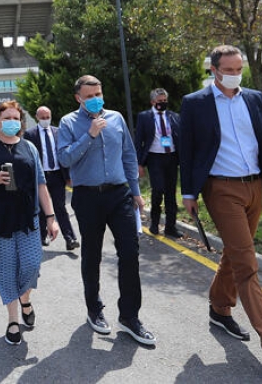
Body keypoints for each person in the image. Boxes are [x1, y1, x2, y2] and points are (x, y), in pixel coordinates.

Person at [180, 45, 262, 376]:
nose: (236, 74)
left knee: (235, 255)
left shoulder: (254, 98)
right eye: (230, 69)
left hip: (255, 188)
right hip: (220, 189)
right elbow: (188, 150)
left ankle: (219, 309)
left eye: (239, 69)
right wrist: (188, 192)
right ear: (214, 70)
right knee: (247, 263)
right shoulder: (195, 104)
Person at [57, 75, 156, 345]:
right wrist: (90, 135)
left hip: (119, 194)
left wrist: (135, 192)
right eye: (89, 96)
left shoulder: (116, 118)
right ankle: (95, 309)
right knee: (92, 255)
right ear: (78, 98)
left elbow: (128, 154)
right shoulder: (68, 122)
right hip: (87, 197)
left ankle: (130, 316)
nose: (95, 99)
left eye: (98, 93)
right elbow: (64, 158)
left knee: (130, 253)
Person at [0, 101, 59, 345]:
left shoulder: (29, 147)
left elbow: (41, 183)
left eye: (16, 118)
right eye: (6, 118)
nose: (12, 122)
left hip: (27, 217)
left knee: (31, 264)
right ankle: (12, 319)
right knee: (5, 269)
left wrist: (50, 217)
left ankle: (25, 299)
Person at [23, 106, 79, 250]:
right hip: (40, 177)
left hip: (57, 175)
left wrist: (68, 176)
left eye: (47, 117)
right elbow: (28, 157)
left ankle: (70, 238)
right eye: (42, 117)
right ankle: (43, 236)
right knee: (42, 208)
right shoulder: (30, 134)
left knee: (60, 207)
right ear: (37, 117)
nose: (45, 120)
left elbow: (64, 154)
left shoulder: (58, 132)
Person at [134, 88, 183, 238]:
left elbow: (180, 136)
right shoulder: (145, 117)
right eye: (159, 101)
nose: (162, 103)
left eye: (164, 101)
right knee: (158, 190)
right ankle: (154, 223)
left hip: (172, 157)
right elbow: (139, 141)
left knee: (170, 193)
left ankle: (170, 226)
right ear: (152, 102)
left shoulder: (173, 116)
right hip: (155, 158)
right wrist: (139, 164)